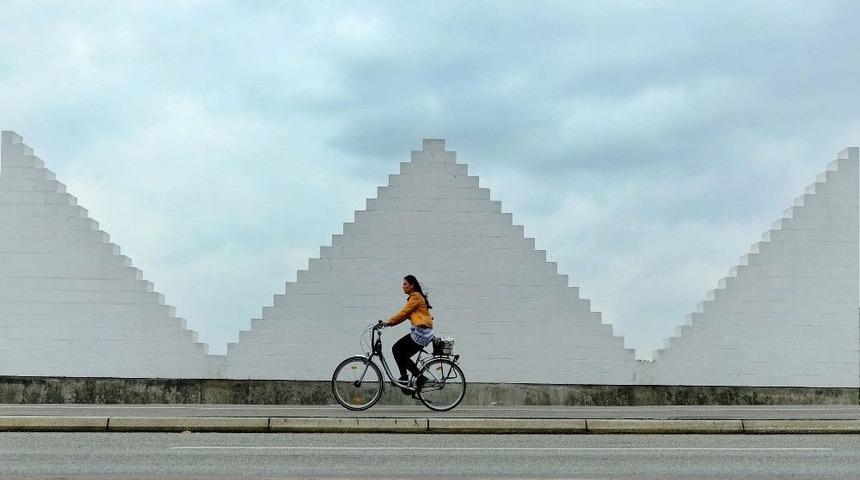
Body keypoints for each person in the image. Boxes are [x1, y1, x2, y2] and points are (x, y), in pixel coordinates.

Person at [384, 274, 434, 391]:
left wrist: (388, 322)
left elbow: (404, 312)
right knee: (401, 354)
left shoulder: (415, 297)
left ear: (411, 285)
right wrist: (390, 324)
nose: (403, 286)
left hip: (421, 332)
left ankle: (415, 377)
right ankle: (407, 378)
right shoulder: (414, 297)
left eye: (405, 284)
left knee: (396, 349)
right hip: (422, 332)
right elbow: (404, 316)